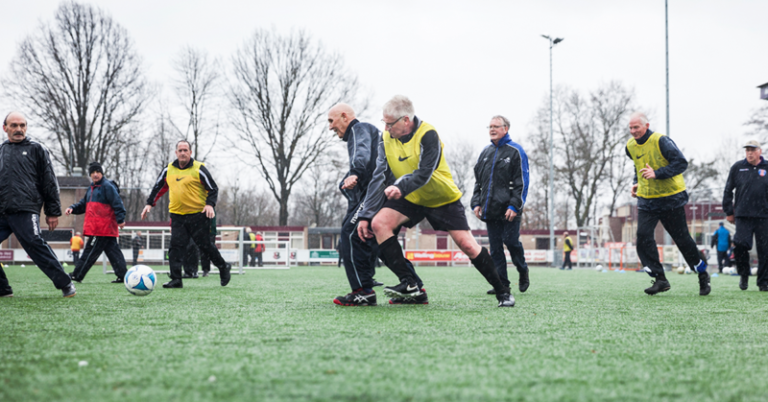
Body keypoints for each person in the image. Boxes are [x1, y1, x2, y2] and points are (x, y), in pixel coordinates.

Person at [357, 95, 515, 307]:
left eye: (389, 123)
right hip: (410, 196)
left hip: (440, 197)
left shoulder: (428, 134)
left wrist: (400, 187)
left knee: (468, 245)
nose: (385, 128)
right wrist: (366, 215)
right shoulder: (386, 138)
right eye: (383, 122)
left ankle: (503, 292)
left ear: (405, 120)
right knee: (379, 224)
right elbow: (379, 176)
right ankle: (411, 285)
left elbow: (424, 173)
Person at [625, 112, 710, 296]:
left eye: (636, 127)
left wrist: (657, 173)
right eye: (630, 128)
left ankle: (702, 272)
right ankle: (660, 279)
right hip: (647, 200)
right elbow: (638, 167)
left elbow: (681, 163)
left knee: (682, 240)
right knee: (643, 236)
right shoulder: (630, 146)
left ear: (646, 126)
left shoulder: (661, 140)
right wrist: (636, 182)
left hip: (671, 199)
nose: (633, 131)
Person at [0, 111, 76, 298]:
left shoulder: (37, 149)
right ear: (5, 128)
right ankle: (2, 289)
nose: (19, 129)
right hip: (2, 211)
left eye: (22, 125)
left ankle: (65, 283)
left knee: (35, 244)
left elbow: (49, 181)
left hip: (26, 209)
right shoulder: (1, 151)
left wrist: (52, 211)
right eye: (14, 125)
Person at [141, 140, 231, 288]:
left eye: (185, 150)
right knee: (175, 247)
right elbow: (158, 187)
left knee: (205, 246)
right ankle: (176, 279)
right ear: (176, 153)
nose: (183, 153)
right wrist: (149, 203)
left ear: (190, 152)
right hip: (177, 216)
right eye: (180, 150)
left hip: (198, 215)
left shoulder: (199, 168)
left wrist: (209, 204)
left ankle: (223, 267)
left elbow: (213, 188)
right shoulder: (168, 169)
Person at [327, 103, 383, 306]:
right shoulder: (364, 132)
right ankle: (411, 283)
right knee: (366, 235)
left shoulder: (359, 129)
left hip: (373, 194)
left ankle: (363, 291)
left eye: (331, 121)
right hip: (372, 193)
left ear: (344, 117)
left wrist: (355, 173)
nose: (330, 127)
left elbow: (362, 152)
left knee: (350, 234)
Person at [471, 115, 530, 295]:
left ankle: (522, 270)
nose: (492, 129)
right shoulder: (485, 153)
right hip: (491, 210)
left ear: (506, 128)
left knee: (511, 242)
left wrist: (514, 206)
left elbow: (522, 182)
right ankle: (503, 284)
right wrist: (476, 203)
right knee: (495, 249)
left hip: (509, 209)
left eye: (496, 126)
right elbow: (478, 182)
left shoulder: (516, 151)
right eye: (489, 126)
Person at [67, 162, 128, 283]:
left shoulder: (107, 186)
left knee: (89, 252)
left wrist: (120, 219)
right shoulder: (91, 188)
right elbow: (83, 205)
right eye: (93, 172)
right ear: (90, 174)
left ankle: (77, 275)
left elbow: (118, 203)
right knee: (114, 253)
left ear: (102, 173)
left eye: (98, 172)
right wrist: (73, 208)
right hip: (101, 229)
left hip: (102, 229)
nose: (95, 175)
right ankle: (124, 276)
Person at [722, 140, 768, 291]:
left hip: (764, 216)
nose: (749, 152)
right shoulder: (737, 167)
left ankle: (763, 282)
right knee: (740, 245)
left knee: (765, 250)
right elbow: (728, 190)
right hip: (743, 215)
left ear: (759, 151)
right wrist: (729, 211)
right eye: (747, 150)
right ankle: (744, 274)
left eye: (753, 150)